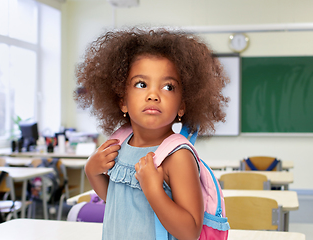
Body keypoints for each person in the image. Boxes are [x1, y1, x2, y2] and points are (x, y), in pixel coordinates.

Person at [75, 27, 229, 240]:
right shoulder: (118, 143)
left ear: (182, 106)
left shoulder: (178, 156)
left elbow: (190, 231)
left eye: (168, 87)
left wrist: (154, 192)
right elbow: (117, 201)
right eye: (141, 84)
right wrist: (92, 172)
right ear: (122, 101)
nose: (153, 95)